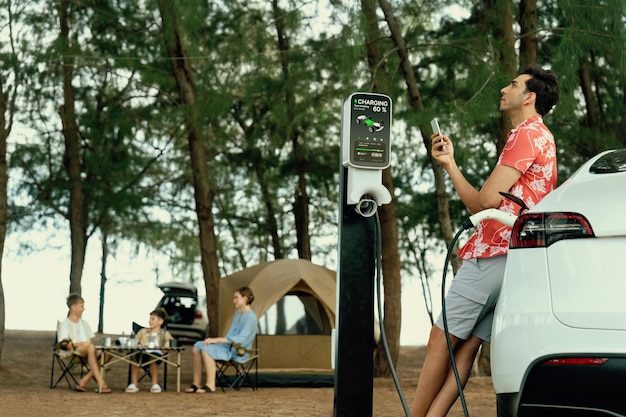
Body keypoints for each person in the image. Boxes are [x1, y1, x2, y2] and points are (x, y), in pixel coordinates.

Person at [411, 65, 560, 417]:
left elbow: (485, 201)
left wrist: (459, 174)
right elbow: (484, 202)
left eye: (512, 84)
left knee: (439, 340)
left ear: (529, 96)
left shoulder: (525, 134)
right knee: (464, 350)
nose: (503, 89)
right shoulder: (543, 136)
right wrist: (450, 164)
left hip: (493, 254)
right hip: (516, 257)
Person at [185, 286, 257, 394]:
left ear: (245, 298)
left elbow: (241, 339)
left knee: (206, 349)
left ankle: (211, 385)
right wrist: (216, 341)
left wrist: (215, 340)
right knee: (197, 346)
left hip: (239, 351)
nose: (234, 301)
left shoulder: (251, 317)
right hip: (228, 346)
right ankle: (196, 383)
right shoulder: (237, 315)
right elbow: (230, 335)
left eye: (236, 298)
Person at [57, 293, 111, 393]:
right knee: (90, 348)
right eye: (81, 306)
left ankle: (84, 380)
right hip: (72, 351)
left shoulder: (84, 324)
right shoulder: (64, 325)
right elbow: (65, 345)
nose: (83, 309)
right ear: (73, 307)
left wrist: (87, 346)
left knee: (108, 351)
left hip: (88, 351)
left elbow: (89, 342)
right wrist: (81, 344)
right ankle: (101, 384)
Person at [125, 308, 173, 393]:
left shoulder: (164, 333)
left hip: (156, 354)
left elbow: (167, 347)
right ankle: (134, 384)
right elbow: (134, 343)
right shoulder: (143, 331)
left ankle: (155, 384)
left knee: (153, 358)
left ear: (160, 321)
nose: (150, 321)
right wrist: (140, 346)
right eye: (149, 319)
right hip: (142, 353)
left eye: (152, 319)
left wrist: (162, 348)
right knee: (134, 357)